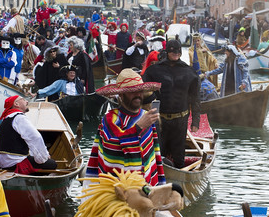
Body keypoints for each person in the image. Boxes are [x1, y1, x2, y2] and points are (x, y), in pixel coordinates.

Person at [85, 68, 165, 186]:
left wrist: (157, 184)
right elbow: (111, 149)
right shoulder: (110, 119)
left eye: (140, 91)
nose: (138, 95)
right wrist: (138, 127)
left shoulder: (146, 116)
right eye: (132, 91)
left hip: (146, 187)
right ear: (121, 94)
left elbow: (153, 155)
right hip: (117, 188)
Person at [142, 39, 200, 169]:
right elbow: (143, 93)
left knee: (179, 157)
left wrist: (195, 121)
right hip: (159, 119)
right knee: (157, 154)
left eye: (178, 50)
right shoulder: (153, 71)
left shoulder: (190, 72)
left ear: (180, 52)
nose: (175, 53)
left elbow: (195, 98)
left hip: (181, 120)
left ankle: (178, 184)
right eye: (172, 50)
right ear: (167, 51)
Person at [0, 96, 57, 172]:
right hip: (14, 162)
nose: (27, 102)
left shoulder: (6, 119)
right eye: (23, 100)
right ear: (16, 104)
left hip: (3, 163)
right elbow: (35, 138)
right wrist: (44, 157)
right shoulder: (19, 118)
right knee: (52, 164)